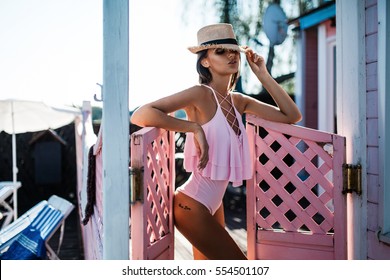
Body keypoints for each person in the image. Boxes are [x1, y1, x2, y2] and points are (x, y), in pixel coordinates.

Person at [131, 23, 302, 260]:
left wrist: (262, 73)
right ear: (205, 61)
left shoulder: (238, 101)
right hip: (192, 204)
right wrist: (192, 127)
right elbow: (141, 115)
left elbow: (292, 116)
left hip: (215, 203)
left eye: (234, 50)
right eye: (220, 51)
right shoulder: (199, 94)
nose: (231, 55)